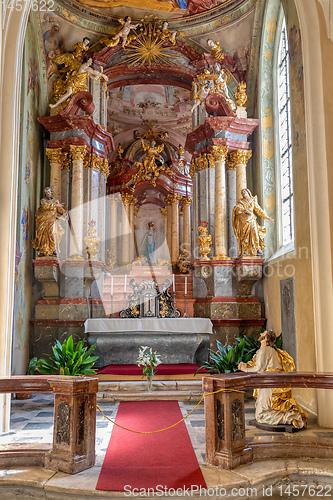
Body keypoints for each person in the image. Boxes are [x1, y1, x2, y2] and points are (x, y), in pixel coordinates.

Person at [238, 330, 308, 429]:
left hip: (269, 382)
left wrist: (245, 369)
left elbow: (258, 369)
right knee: (267, 409)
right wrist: (248, 366)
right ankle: (294, 417)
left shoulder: (264, 350)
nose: (261, 333)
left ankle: (292, 417)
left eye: (264, 333)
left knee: (261, 415)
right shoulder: (272, 350)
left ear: (266, 338)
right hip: (272, 381)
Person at [232, 188, 274, 257]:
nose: (243, 193)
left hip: (251, 220)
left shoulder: (253, 201)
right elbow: (237, 209)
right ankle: (245, 251)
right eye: (242, 192)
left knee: (255, 233)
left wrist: (267, 217)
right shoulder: (241, 202)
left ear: (248, 192)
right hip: (244, 221)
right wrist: (243, 210)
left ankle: (257, 249)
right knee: (245, 237)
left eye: (244, 191)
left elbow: (259, 210)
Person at [32, 187, 68, 257]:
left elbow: (60, 209)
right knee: (42, 235)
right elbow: (45, 206)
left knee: (52, 233)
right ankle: (43, 250)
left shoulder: (55, 201)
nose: (48, 193)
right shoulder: (43, 200)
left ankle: (53, 249)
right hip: (44, 220)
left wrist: (65, 213)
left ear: (51, 192)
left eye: (49, 192)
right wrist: (55, 205)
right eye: (46, 192)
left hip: (52, 220)